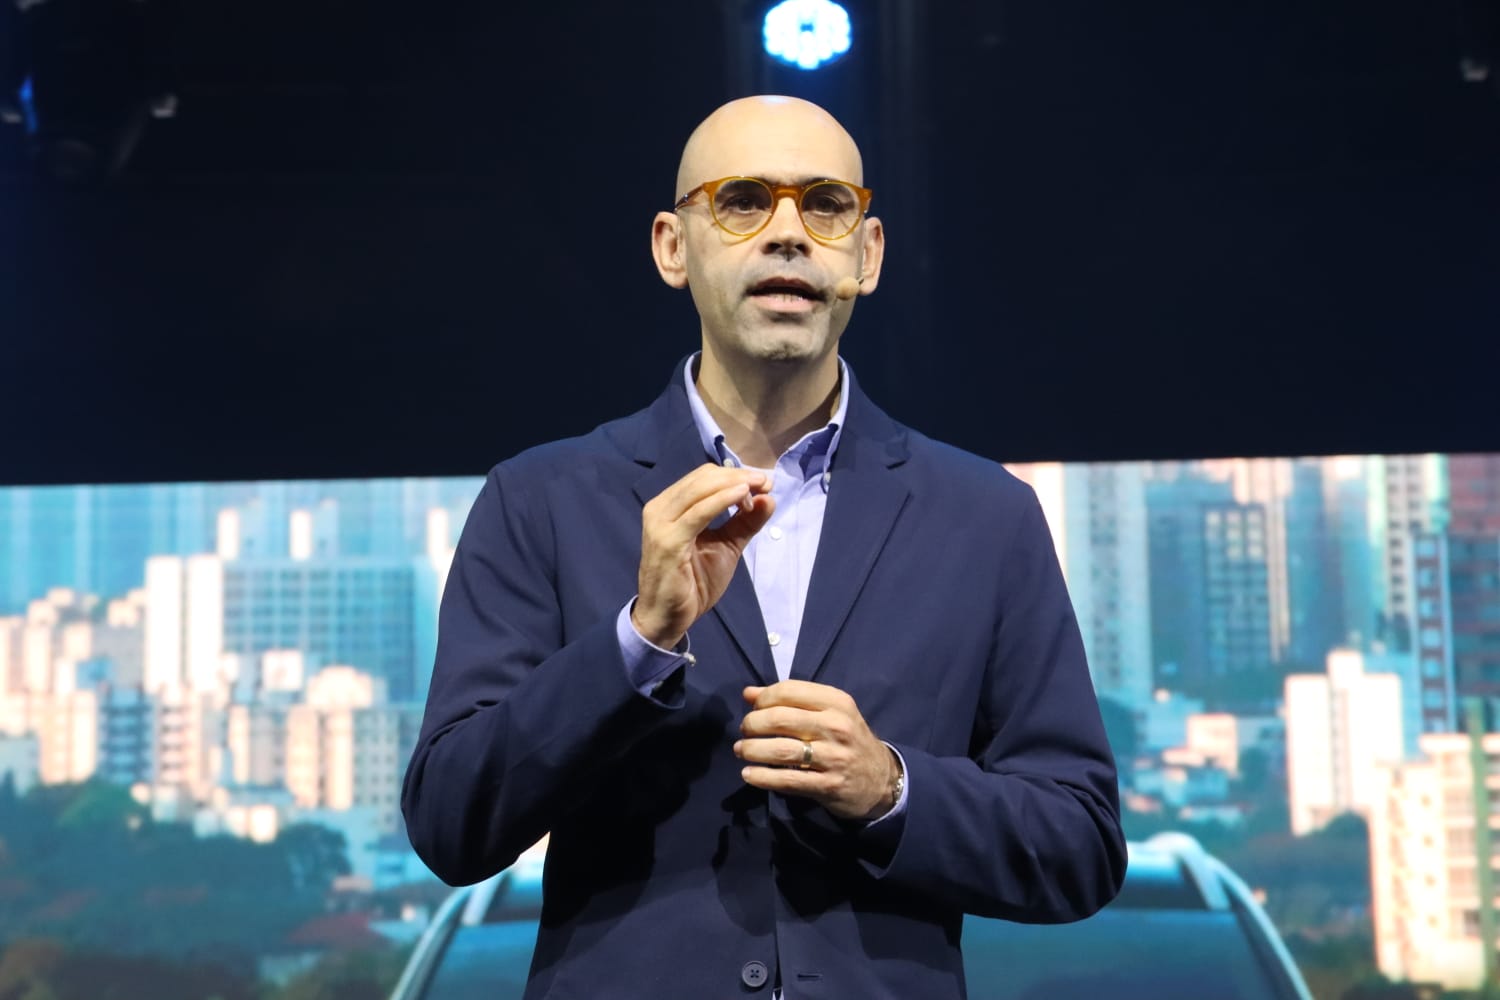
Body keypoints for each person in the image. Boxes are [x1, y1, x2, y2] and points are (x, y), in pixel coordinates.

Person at [401, 95, 1126, 1000]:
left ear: (866, 255)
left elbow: (1081, 845)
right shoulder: (541, 498)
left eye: (825, 205)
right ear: (674, 247)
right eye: (743, 200)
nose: (788, 234)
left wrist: (890, 788)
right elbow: (449, 823)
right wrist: (637, 643)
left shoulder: (987, 516)